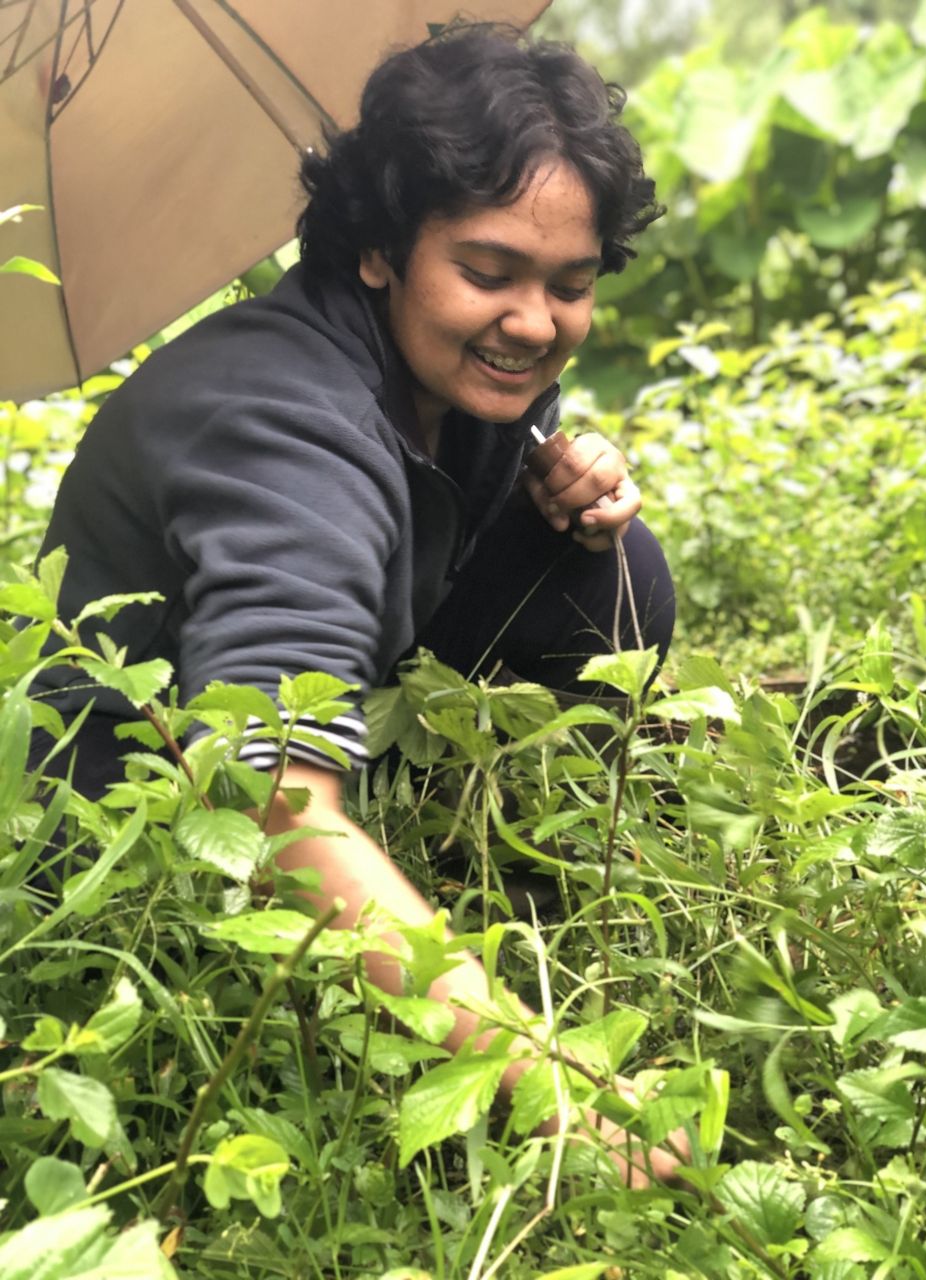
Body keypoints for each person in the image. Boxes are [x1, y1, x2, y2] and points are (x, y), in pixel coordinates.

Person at [31, 24, 679, 1183]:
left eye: (569, 285)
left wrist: (558, 495)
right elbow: (279, 807)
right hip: (127, 876)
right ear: (379, 249)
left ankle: (468, 869)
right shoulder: (283, 426)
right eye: (489, 274)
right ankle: (408, 946)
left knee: (612, 566)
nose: (535, 324)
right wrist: (541, 1070)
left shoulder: (446, 375)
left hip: (309, 747)